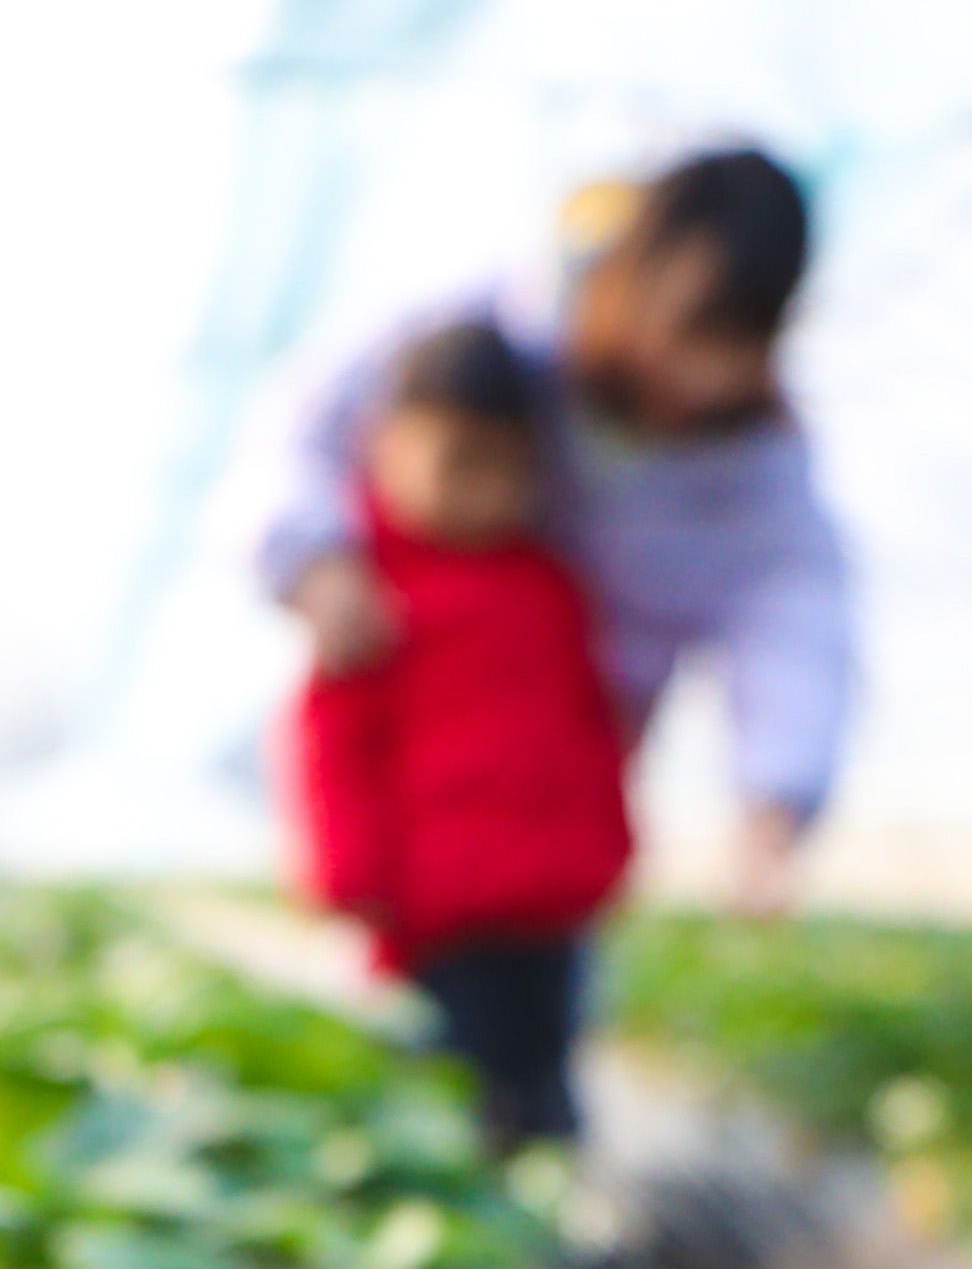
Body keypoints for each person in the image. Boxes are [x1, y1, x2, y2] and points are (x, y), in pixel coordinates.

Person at [262, 144, 854, 922]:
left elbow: (792, 614)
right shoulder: (485, 336)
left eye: (738, 346)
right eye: (690, 329)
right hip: (430, 769)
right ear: (635, 269)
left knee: (541, 990)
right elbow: (304, 433)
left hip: (572, 795)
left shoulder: (757, 456)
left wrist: (773, 798)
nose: (704, 377)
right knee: (442, 1003)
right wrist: (314, 559)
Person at [285, 317, 635, 1145]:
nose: (483, 493)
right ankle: (464, 1231)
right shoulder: (369, 595)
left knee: (547, 1073)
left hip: (550, 908)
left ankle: (550, 1231)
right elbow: (334, 743)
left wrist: (608, 849)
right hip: (435, 917)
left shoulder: (551, 588)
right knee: (446, 1089)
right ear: (385, 449)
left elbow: (590, 735)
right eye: (457, 465)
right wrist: (350, 869)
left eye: (507, 469)